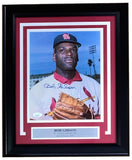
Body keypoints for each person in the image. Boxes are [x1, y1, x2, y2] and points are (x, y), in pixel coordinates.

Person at [29, 33, 100, 120]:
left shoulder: (95, 86)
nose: (69, 53)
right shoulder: (37, 91)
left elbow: (106, 122)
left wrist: (90, 119)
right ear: (54, 57)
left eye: (73, 50)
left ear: (77, 56)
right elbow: (32, 128)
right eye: (62, 50)